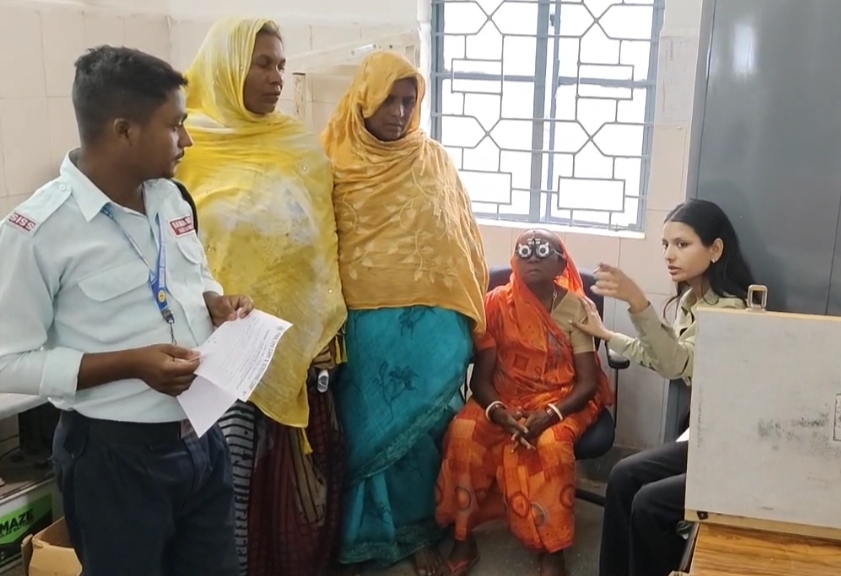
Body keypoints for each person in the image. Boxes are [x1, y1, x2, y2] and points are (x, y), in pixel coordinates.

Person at [0, 46, 254, 576]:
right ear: (124, 130)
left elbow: (192, 278)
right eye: (175, 125)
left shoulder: (171, 199)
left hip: (201, 439)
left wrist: (214, 301)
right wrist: (131, 364)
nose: (187, 140)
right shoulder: (36, 233)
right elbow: (2, 363)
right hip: (114, 459)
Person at [174, 18, 349, 576]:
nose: (277, 78)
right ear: (228, 68)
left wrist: (322, 324)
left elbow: (323, 240)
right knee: (229, 478)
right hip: (219, 348)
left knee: (295, 483)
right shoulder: (184, 149)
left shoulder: (298, 145)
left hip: (295, 340)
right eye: (263, 64)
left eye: (281, 65)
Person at [321, 50, 489, 576]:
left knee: (422, 437)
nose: (398, 112)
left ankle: (418, 533)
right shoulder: (332, 159)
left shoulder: (432, 158)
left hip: (435, 326)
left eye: (408, 101)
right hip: (365, 323)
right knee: (369, 429)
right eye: (388, 100)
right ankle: (365, 537)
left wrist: (467, 313)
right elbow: (319, 246)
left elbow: (460, 234)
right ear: (364, 100)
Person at [572, 199, 756, 576]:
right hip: (706, 437)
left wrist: (638, 302)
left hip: (734, 448)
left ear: (715, 250)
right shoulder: (691, 299)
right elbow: (663, 357)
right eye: (665, 244)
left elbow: (676, 364)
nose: (669, 255)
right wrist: (605, 333)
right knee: (623, 475)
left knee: (649, 504)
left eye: (682, 244)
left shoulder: (731, 312)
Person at [436, 230, 615, 576]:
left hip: (563, 398)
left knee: (551, 446)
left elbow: (587, 382)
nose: (533, 255)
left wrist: (549, 415)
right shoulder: (495, 304)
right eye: (524, 250)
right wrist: (498, 412)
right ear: (515, 261)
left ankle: (552, 549)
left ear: (561, 264)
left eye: (543, 250)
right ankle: (463, 536)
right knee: (464, 432)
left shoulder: (578, 307)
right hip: (503, 396)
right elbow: (480, 380)